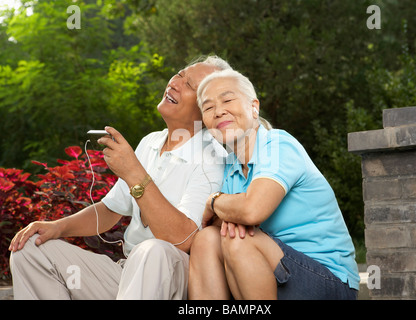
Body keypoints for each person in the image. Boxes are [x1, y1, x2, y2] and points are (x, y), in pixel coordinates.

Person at [8, 55, 231, 300]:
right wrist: (57, 227)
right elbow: (110, 210)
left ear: (207, 110)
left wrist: (134, 173)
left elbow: (183, 240)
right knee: (30, 249)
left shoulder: (213, 157)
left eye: (190, 85)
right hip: (128, 275)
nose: (175, 83)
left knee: (154, 251)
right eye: (179, 74)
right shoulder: (151, 142)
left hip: (177, 279)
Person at [188, 69, 360, 300]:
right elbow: (222, 223)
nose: (219, 111)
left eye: (228, 100)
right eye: (208, 108)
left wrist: (214, 200)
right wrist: (225, 207)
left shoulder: (278, 145)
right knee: (206, 239)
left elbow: (251, 211)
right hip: (272, 274)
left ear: (254, 107)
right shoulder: (230, 166)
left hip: (328, 282)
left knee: (238, 239)